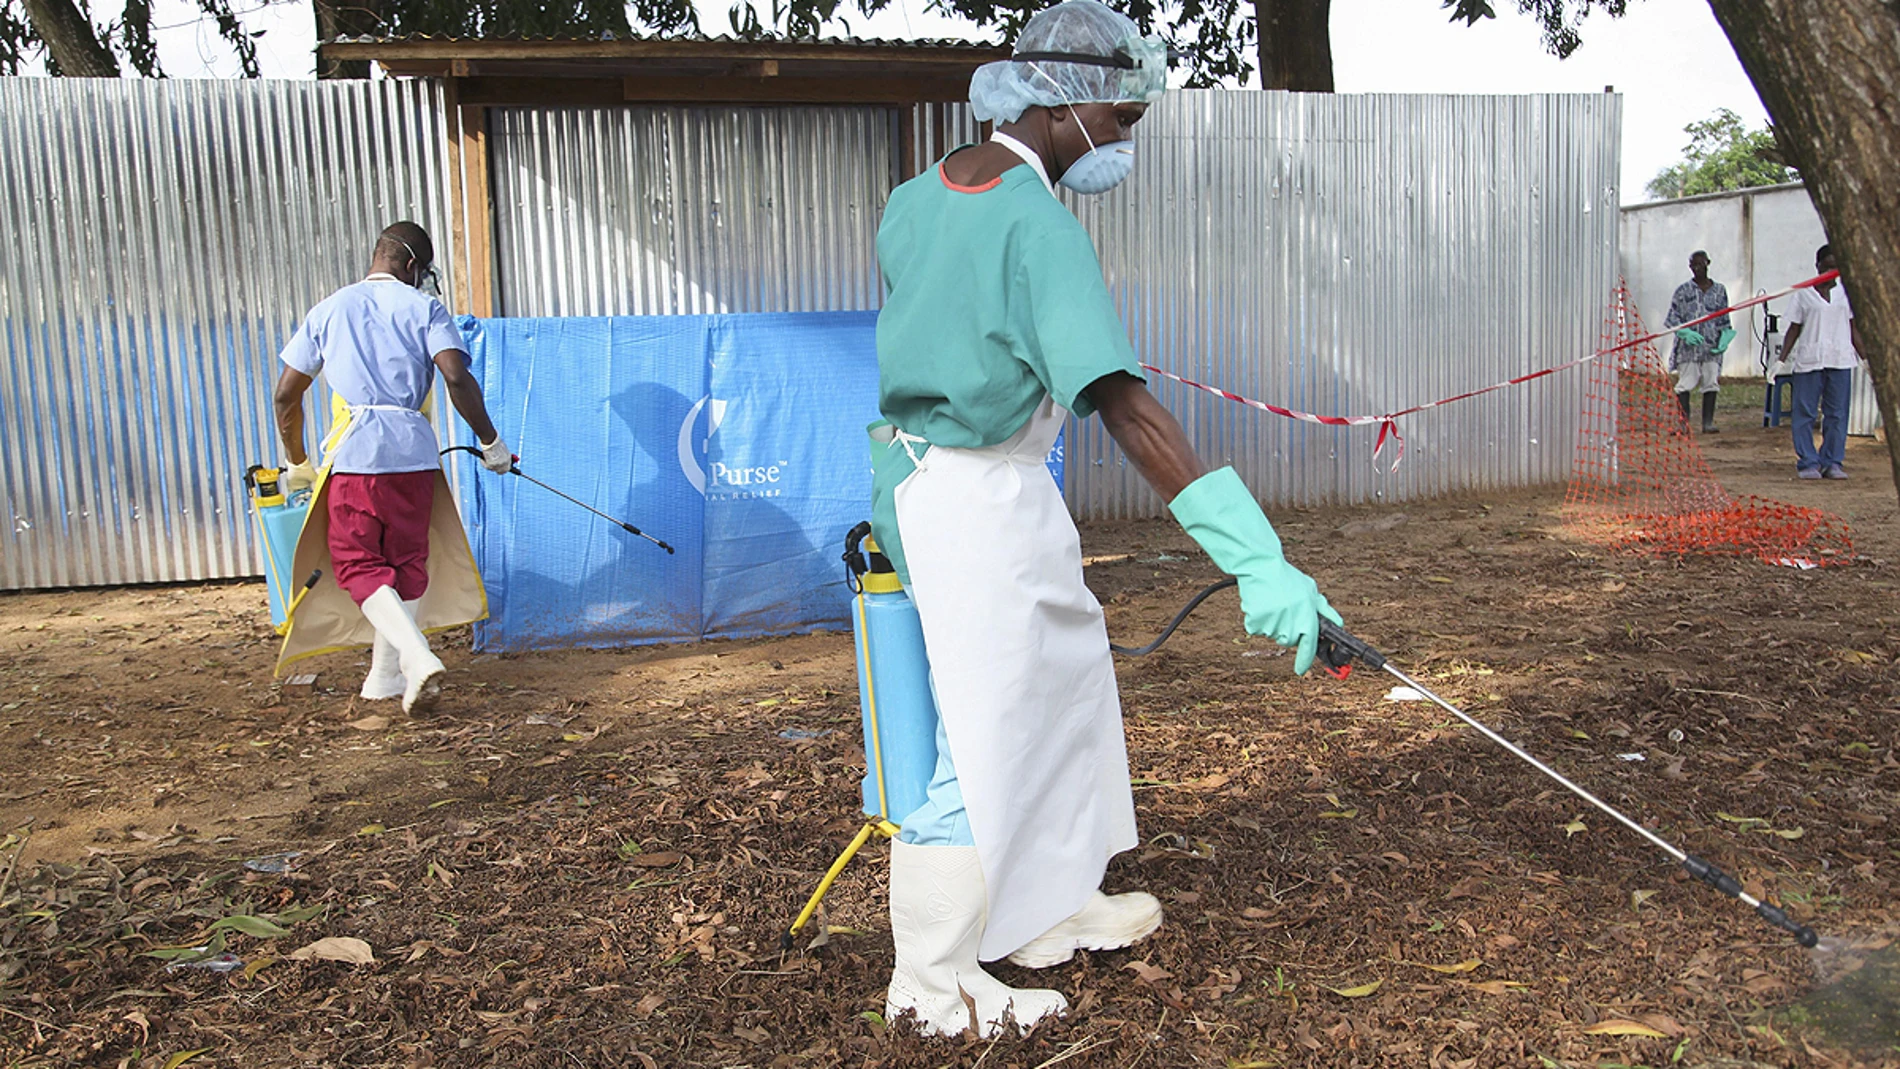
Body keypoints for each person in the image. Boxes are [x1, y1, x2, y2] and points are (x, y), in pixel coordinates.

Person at [868, 0, 1340, 1037]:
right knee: (983, 733)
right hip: (974, 494)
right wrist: (1254, 557)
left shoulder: (914, 200)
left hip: (949, 480)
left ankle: (1046, 904)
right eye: (1121, 118)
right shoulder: (1037, 223)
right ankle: (933, 983)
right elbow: (1123, 404)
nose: (1122, 139)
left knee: (1069, 682)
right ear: (1062, 103)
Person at [272, 222, 512, 711]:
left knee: (358, 564)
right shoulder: (424, 307)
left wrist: (296, 461)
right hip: (414, 457)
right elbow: (455, 376)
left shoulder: (329, 309)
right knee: (405, 564)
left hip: (356, 456)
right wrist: (492, 442)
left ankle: (416, 657)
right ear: (411, 267)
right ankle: (383, 679)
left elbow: (285, 394)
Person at [1781, 243, 1866, 480]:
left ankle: (1832, 462)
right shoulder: (1804, 293)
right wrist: (1780, 360)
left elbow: (1853, 328)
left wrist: (1865, 358)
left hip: (1839, 359)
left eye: (1836, 268)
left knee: (1837, 414)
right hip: (1810, 361)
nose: (1832, 272)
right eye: (1827, 267)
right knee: (1805, 412)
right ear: (1817, 266)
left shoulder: (1845, 293)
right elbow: (1793, 329)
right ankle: (1808, 461)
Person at [1662, 250, 1735, 434]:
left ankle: (1708, 423)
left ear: (1708, 264)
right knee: (1685, 383)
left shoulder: (1719, 291)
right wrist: (1684, 332)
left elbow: (1724, 318)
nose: (1697, 269)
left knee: (1711, 382)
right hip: (1689, 349)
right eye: (1693, 266)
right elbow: (1672, 318)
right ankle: (1683, 424)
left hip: (1712, 346)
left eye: (1701, 265)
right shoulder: (1682, 291)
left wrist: (1725, 338)